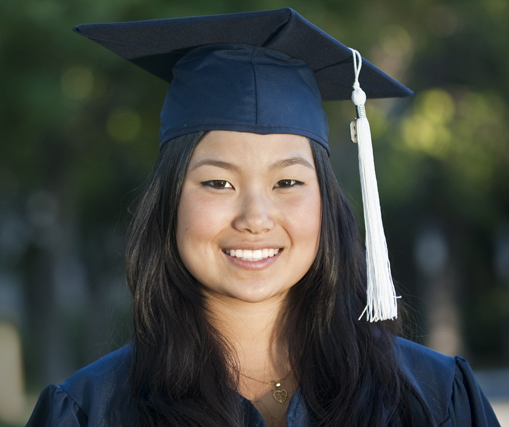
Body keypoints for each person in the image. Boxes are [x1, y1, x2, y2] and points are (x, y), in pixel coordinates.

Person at [26, 8, 500, 427]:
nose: (255, 217)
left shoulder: (433, 399)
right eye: (218, 183)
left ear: (326, 202)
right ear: (169, 200)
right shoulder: (91, 411)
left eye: (287, 183)